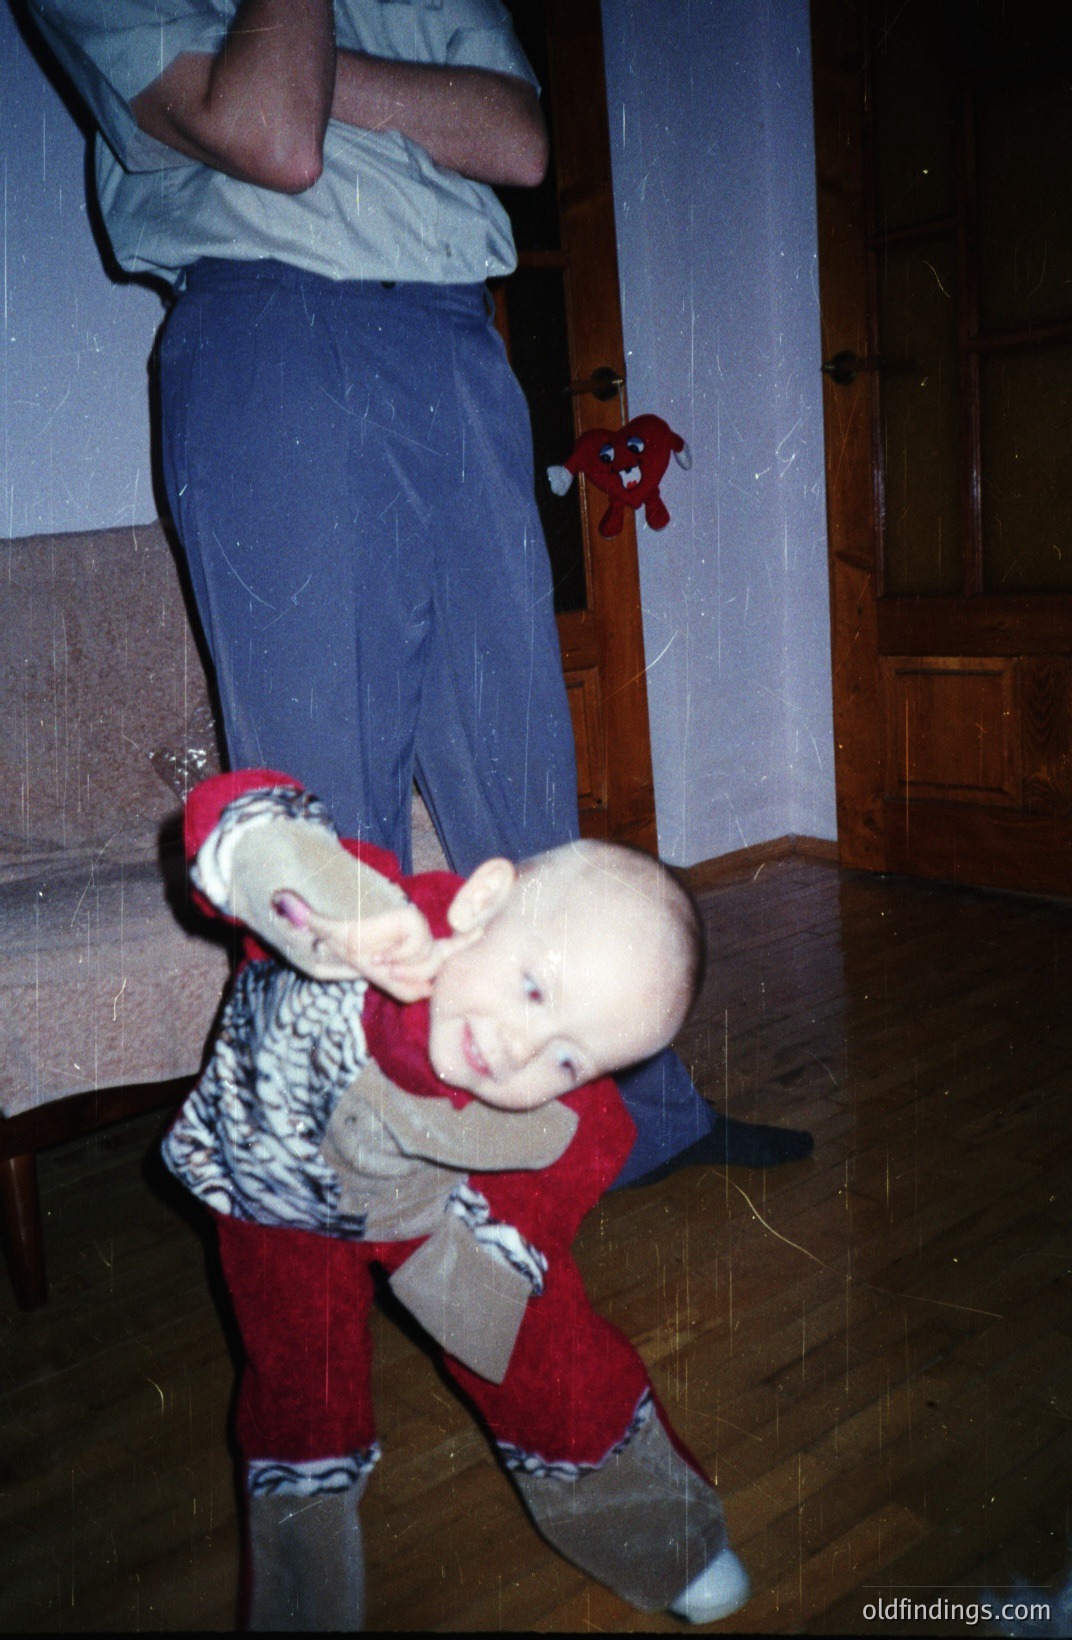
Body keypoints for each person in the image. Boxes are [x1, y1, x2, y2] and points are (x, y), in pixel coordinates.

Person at [28, 0, 812, 1185]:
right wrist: (385, 96)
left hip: (455, 338)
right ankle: (360, 1185)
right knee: (327, 818)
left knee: (524, 773)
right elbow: (272, 135)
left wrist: (315, 79)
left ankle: (634, 1123)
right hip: (271, 325)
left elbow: (518, 140)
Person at [164, 766, 753, 1629]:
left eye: (569, 1057)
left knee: (552, 1361)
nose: (520, 1050)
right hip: (275, 1193)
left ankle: (666, 1536)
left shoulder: (574, 1116)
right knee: (300, 1398)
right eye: (535, 991)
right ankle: (302, 1603)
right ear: (480, 905)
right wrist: (329, 903)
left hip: (437, 1212)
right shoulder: (373, 917)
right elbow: (234, 818)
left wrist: (482, 1274)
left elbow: (563, 1184)